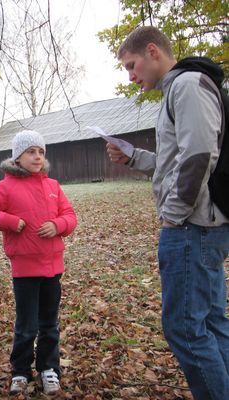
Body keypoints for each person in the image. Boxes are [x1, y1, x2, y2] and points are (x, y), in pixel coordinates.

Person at [107, 26, 229, 400]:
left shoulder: (187, 85)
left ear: (152, 51)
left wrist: (173, 216)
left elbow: (199, 156)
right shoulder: (181, 88)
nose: (130, 75)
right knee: (210, 323)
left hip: (192, 228)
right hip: (201, 226)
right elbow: (176, 161)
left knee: (185, 329)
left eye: (131, 65)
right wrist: (134, 157)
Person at [0, 130, 77, 396]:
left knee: (49, 325)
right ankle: (20, 371)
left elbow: (70, 216)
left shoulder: (52, 186)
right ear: (17, 157)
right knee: (27, 326)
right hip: (25, 270)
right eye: (31, 151)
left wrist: (58, 225)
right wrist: (8, 221)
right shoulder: (6, 187)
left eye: (41, 152)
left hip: (53, 268)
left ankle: (48, 368)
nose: (37, 156)